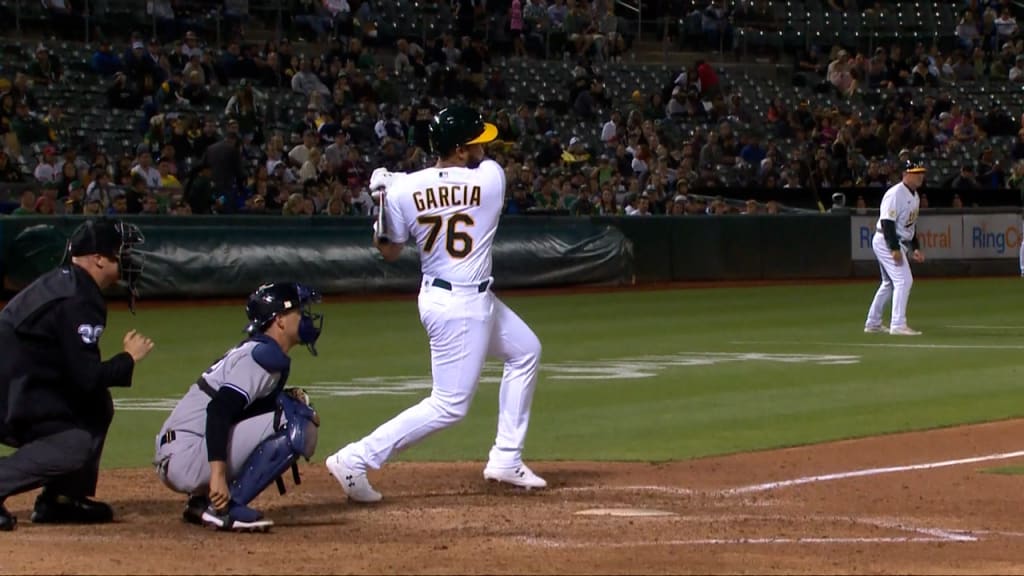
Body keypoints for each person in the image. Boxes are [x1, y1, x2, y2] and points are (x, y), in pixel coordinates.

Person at [325, 105, 545, 502]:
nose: (484, 146)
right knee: (449, 405)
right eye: (475, 143)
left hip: (455, 297)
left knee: (525, 350)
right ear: (460, 150)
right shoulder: (492, 180)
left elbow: (389, 250)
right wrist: (396, 185)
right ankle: (356, 457)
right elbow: (459, 183)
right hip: (461, 308)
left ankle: (506, 457)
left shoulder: (403, 190)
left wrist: (384, 197)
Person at [0, 218, 152, 531]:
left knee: (96, 404)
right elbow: (86, 377)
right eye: (119, 253)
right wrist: (127, 359)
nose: (127, 260)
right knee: (74, 444)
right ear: (98, 258)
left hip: (18, 384)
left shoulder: (69, 283)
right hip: (9, 392)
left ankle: (62, 498)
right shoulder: (79, 298)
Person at [154, 282, 324, 532]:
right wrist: (218, 477)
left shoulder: (259, 351)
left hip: (178, 450)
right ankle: (222, 508)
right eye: (298, 311)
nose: (305, 318)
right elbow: (219, 411)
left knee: (287, 406)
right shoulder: (263, 357)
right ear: (279, 320)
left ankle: (200, 503)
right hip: (185, 455)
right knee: (296, 419)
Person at [864, 159, 927, 336]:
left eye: (921, 173)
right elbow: (887, 222)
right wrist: (894, 248)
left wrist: (915, 248)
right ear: (905, 175)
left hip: (895, 240)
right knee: (904, 280)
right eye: (916, 173)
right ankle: (898, 324)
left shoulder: (914, 196)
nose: (920, 176)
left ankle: (873, 322)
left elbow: (910, 226)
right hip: (886, 239)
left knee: (889, 283)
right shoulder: (895, 193)